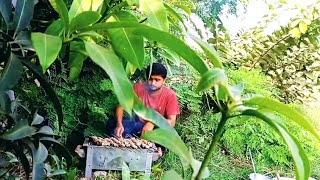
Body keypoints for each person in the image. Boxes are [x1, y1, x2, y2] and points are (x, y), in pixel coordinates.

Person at [106, 62, 180, 141]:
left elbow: (172, 122)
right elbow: (121, 107)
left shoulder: (170, 95)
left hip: (156, 128)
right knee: (113, 123)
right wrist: (119, 124)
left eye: (157, 80)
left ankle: (157, 149)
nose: (153, 83)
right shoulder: (139, 88)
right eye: (150, 79)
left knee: (165, 133)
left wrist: (152, 123)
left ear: (164, 80)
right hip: (138, 123)